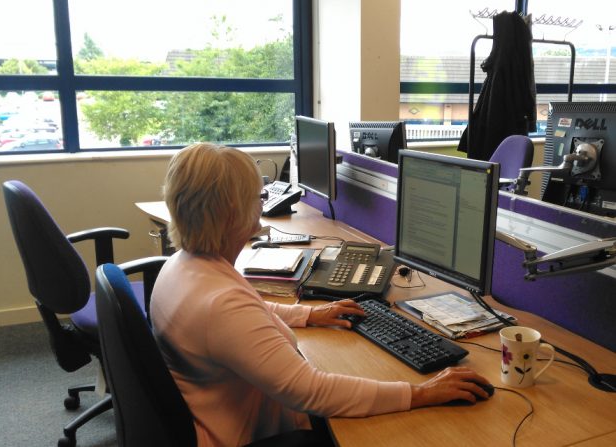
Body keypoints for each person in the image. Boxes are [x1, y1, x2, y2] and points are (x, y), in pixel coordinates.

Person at [151, 142, 492, 447]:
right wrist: (420, 393)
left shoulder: (184, 265)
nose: (262, 201)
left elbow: (249, 310)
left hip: (227, 414)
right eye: (257, 196)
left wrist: (310, 315)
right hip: (249, 434)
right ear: (232, 213)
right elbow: (312, 391)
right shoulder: (219, 304)